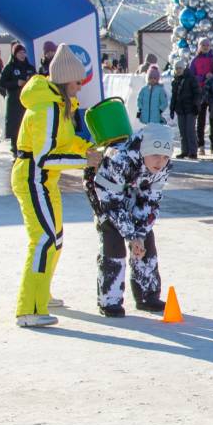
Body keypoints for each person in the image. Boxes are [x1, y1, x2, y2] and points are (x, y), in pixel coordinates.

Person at [11, 44, 102, 327]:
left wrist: (88, 147)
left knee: (55, 239)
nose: (80, 86)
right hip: (33, 178)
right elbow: (45, 157)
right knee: (43, 240)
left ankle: (41, 294)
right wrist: (84, 160)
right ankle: (29, 308)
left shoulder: (59, 104)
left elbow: (65, 141)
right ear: (65, 79)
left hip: (45, 181)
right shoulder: (48, 106)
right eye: (77, 81)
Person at [84, 123, 173, 317]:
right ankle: (110, 300)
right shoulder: (118, 160)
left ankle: (147, 295)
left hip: (134, 191)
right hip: (104, 193)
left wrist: (139, 234)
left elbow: (151, 201)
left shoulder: (163, 168)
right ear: (144, 151)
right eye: (156, 155)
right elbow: (111, 203)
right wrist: (130, 235)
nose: (160, 162)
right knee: (112, 239)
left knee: (146, 241)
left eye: (166, 156)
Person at [0, 43, 37, 156]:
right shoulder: (9, 67)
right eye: (20, 52)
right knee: (15, 125)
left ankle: (27, 148)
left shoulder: (30, 67)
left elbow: (37, 80)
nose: (22, 55)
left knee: (26, 125)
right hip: (14, 102)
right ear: (15, 54)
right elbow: (1, 82)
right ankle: (15, 150)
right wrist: (16, 83)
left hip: (28, 102)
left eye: (24, 52)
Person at [188, 38, 213, 156]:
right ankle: (201, 145)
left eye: (207, 45)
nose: (205, 46)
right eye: (203, 44)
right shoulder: (195, 60)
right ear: (199, 46)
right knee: (201, 120)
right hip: (200, 92)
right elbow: (191, 76)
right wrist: (203, 77)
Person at [169, 60, 199, 159]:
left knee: (190, 130)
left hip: (190, 109)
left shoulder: (191, 79)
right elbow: (174, 96)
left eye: (180, 68)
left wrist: (196, 105)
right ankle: (185, 151)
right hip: (180, 109)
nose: (178, 70)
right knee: (182, 131)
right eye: (176, 68)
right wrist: (172, 109)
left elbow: (197, 93)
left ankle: (193, 151)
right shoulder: (175, 81)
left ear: (184, 68)